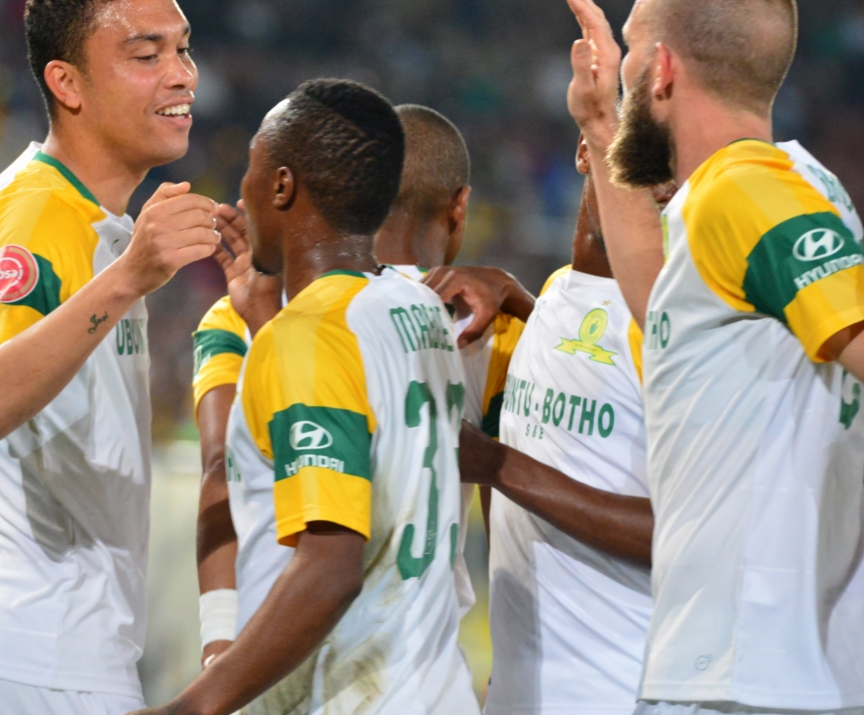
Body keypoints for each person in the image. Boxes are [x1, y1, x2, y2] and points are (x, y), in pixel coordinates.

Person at [0, 0, 220, 714]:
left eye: (182, 47)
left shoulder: (83, 217)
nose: (182, 74)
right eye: (146, 55)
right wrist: (131, 277)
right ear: (66, 84)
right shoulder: (42, 211)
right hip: (38, 658)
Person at [562, 0, 864, 713]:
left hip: (743, 676)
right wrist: (601, 124)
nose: (623, 68)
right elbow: (662, 305)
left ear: (661, 70)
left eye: (631, 47)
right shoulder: (790, 189)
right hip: (770, 668)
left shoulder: (746, 191)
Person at [139, 79, 480, 715]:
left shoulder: (308, 336)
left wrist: (189, 708)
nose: (240, 190)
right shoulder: (416, 308)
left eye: (251, 169)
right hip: (436, 687)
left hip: (351, 697)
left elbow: (329, 568)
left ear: (282, 187)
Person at [189, 104, 526, 669]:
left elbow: (223, 469)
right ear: (460, 206)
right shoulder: (483, 316)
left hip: (294, 658)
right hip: (423, 656)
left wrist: (218, 645)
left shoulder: (243, 311)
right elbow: (511, 529)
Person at [427, 135, 674, 715]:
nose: (664, 182)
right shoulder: (561, 292)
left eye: (681, 164)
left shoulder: (672, 322)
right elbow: (594, 384)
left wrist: (495, 464)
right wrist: (522, 303)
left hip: (622, 691)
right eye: (645, 153)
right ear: (587, 149)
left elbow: (688, 530)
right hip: (522, 688)